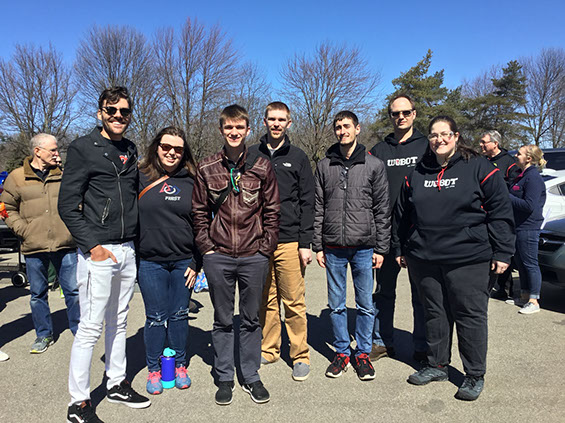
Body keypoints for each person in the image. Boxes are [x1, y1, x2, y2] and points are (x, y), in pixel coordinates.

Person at [394, 115, 515, 401]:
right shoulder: (417, 173)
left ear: (456, 136)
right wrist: (402, 248)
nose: (439, 139)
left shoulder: (478, 167)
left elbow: (500, 211)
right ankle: (437, 365)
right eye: (434, 135)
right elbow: (402, 214)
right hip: (425, 257)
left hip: (468, 257)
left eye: (445, 134)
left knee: (469, 315)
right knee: (434, 313)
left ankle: (474, 374)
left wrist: (502, 251)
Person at [59, 87, 150, 423]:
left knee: (120, 320)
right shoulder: (83, 148)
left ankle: (116, 382)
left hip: (128, 248)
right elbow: (67, 205)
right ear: (100, 112)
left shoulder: (129, 148)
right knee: (91, 326)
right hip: (99, 251)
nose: (118, 117)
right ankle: (78, 402)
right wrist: (92, 247)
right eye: (111, 111)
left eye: (124, 111)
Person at [192, 104, 280, 405]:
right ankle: (225, 376)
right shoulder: (206, 167)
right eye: (228, 127)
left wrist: (265, 248)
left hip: (253, 254)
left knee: (252, 319)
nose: (233, 132)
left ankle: (251, 375)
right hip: (219, 256)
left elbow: (272, 210)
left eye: (239, 128)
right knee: (222, 319)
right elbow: (199, 212)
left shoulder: (262, 165)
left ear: (247, 130)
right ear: (221, 130)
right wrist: (207, 249)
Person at [313, 111, 390, 381]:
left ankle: (363, 354)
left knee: (365, 303)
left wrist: (381, 248)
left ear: (358, 129)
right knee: (336, 304)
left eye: (347, 126)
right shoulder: (324, 166)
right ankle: (342, 352)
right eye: (338, 127)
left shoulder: (374, 166)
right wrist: (318, 244)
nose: (342, 131)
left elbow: (382, 209)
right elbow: (319, 206)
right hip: (333, 246)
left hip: (364, 247)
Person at [250, 102, 314, 381]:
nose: (276, 124)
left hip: (289, 240)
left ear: (289, 123)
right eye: (271, 119)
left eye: (281, 120)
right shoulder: (251, 154)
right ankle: (269, 348)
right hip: (260, 241)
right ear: (264, 121)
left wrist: (305, 242)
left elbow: (308, 201)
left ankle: (300, 355)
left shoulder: (298, 157)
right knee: (267, 299)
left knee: (294, 300)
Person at [137, 126, 202, 394]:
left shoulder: (193, 180)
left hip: (183, 262)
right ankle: (154, 369)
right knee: (155, 317)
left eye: (178, 149)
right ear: (156, 147)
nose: (172, 153)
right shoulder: (139, 176)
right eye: (166, 147)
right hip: (150, 261)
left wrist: (197, 264)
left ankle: (179, 365)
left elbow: (201, 224)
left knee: (178, 315)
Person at [1, 133, 79, 354]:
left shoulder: (64, 175)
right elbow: (5, 207)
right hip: (33, 246)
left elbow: (77, 202)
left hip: (65, 244)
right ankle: (43, 335)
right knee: (37, 294)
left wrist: (74, 228)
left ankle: (79, 330)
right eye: (53, 150)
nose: (57, 154)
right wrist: (22, 230)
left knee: (73, 291)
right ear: (38, 151)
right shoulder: (16, 178)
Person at [369, 94, 428, 362]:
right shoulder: (379, 150)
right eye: (395, 113)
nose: (400, 117)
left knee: (422, 294)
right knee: (383, 292)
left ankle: (422, 345)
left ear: (414, 114)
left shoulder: (427, 146)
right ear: (390, 116)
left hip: (419, 233)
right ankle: (382, 342)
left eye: (405, 112)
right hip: (383, 234)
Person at [480, 130, 520, 300]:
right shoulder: (481, 162)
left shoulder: (509, 163)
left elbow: (516, 187)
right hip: (483, 216)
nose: (481, 145)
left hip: (502, 212)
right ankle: (495, 285)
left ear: (495, 144)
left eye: (484, 142)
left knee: (502, 252)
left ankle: (507, 289)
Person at [508, 145, 546, 314]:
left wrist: (506, 196)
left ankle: (534, 300)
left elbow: (529, 205)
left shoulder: (534, 179)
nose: (515, 156)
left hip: (529, 226)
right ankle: (524, 295)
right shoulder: (521, 176)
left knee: (530, 263)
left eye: (519, 154)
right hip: (518, 225)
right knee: (521, 263)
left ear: (529, 158)